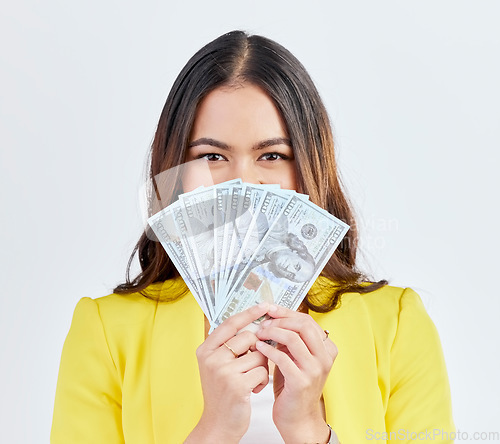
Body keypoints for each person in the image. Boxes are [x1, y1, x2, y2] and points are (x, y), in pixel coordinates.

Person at [51, 31, 455, 443]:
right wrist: (214, 430)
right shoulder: (104, 331)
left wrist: (308, 430)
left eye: (272, 156)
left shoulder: (397, 327)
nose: (242, 185)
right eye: (211, 156)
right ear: (174, 173)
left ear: (310, 168)